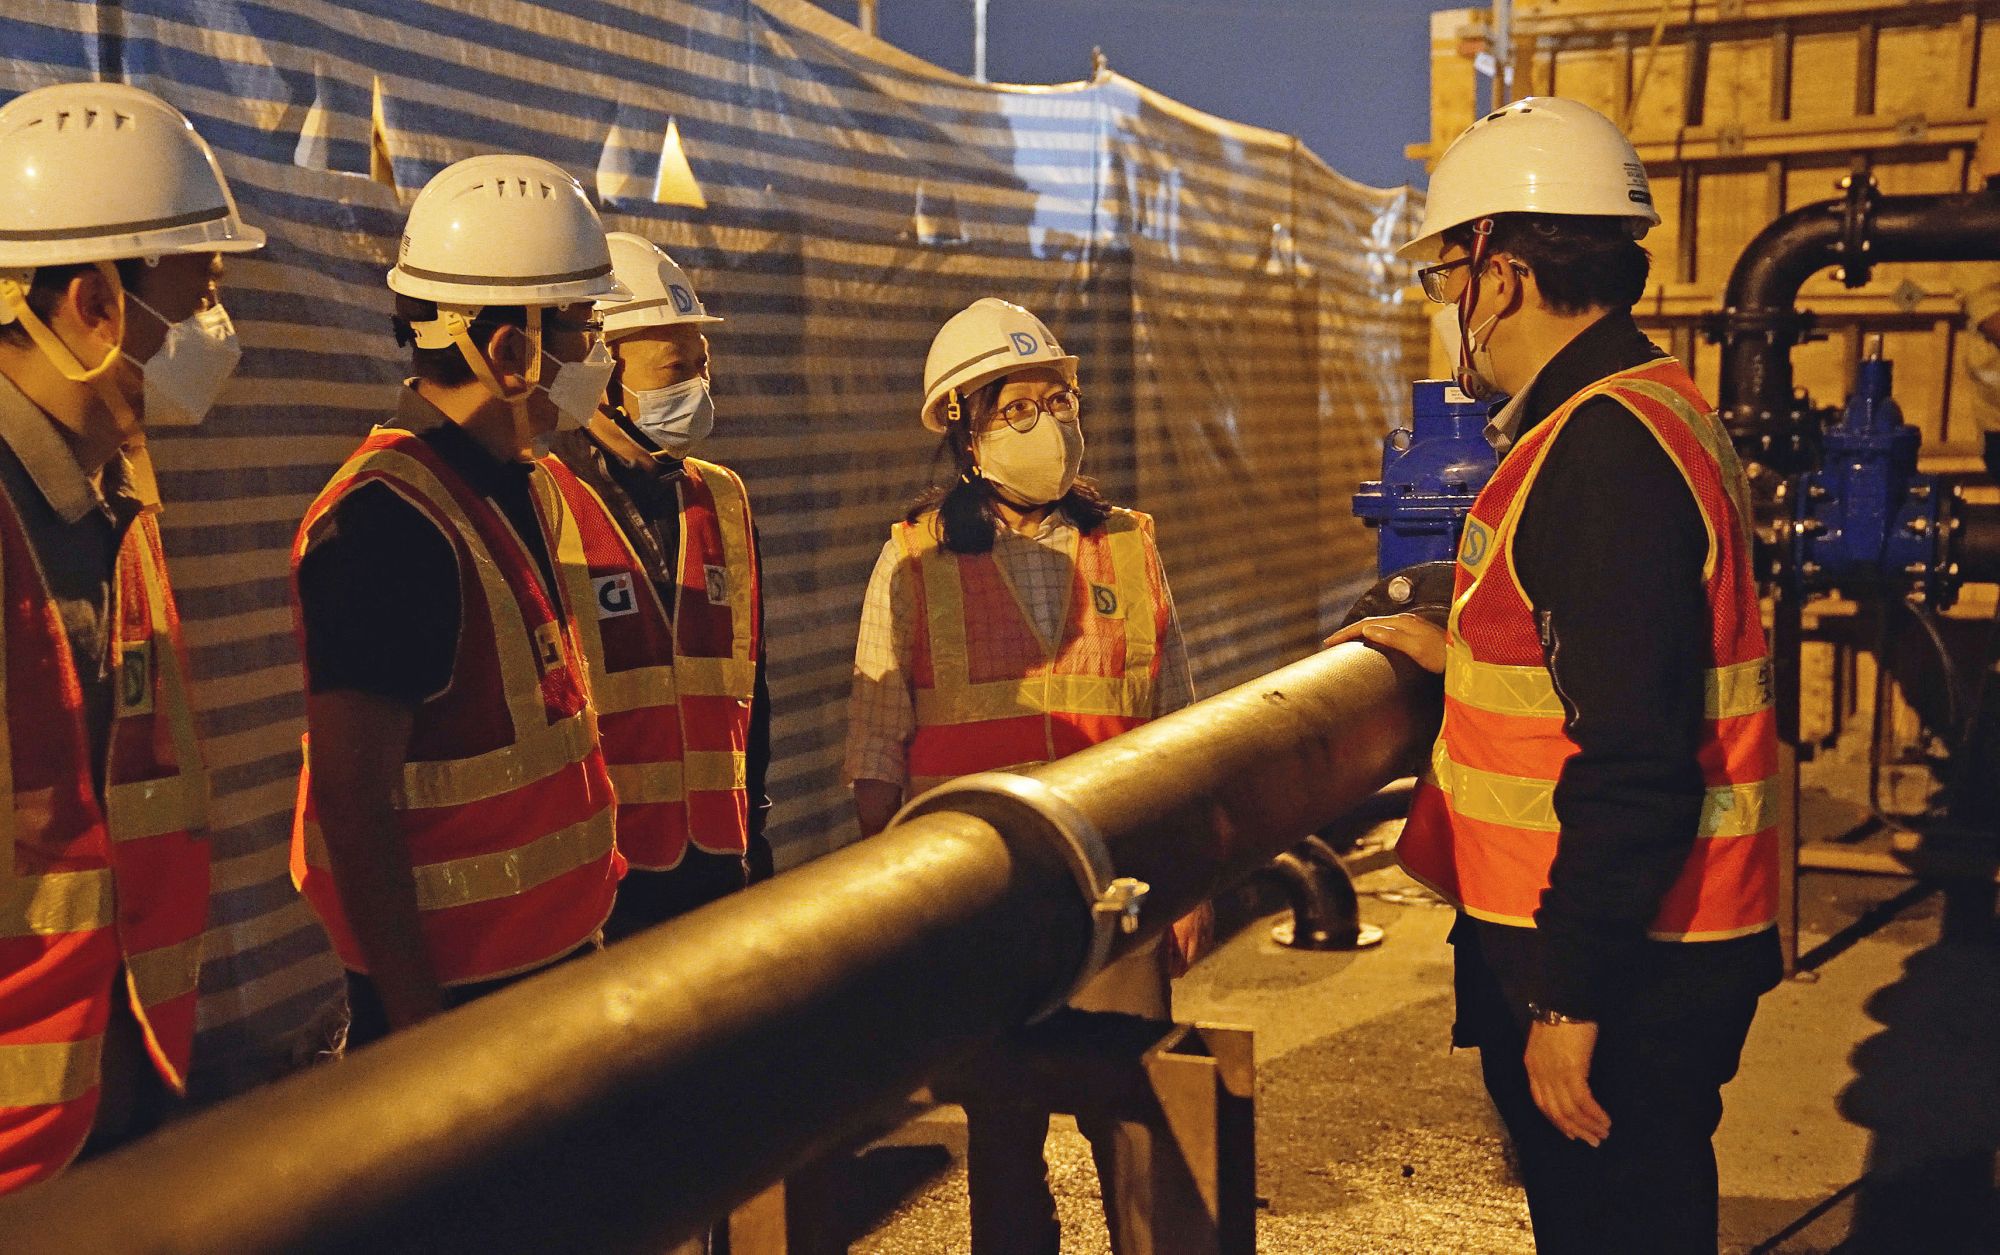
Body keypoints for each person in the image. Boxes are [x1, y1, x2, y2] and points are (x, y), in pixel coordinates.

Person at [1331, 97, 1782, 1253]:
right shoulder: (1652, 407)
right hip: (1659, 937)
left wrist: (1566, 998)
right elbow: (1595, 652)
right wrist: (1459, 654)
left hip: (1623, 962)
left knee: (1616, 1225)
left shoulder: (1598, 451)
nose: (1449, 312)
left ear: (1503, 274)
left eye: (1445, 282)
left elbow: (1631, 756)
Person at [844, 297, 1203, 1255]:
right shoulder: (912, 560)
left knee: (1138, 1123)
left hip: (1121, 886)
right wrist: (896, 912)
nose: (1051, 424)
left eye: (1059, 399)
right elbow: (878, 757)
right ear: (963, 429)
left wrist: (1191, 882)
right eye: (1017, 407)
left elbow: (1181, 725)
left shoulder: (1129, 543)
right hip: (984, 899)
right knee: (1004, 1134)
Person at [289, 154, 627, 1047]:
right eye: (583, 331)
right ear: (514, 352)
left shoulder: (519, 482)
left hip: (553, 975)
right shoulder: (385, 527)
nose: (598, 357)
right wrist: (419, 1043)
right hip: (461, 1016)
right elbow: (354, 804)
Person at [0, 82, 262, 1191]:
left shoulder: (116, 493)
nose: (216, 333)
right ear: (98, 304)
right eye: (196, 297)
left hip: (119, 1097)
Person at [540, 232, 772, 938]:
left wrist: (755, 842)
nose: (696, 389)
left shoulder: (722, 497)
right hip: (606, 883)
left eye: (702, 367)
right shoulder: (541, 496)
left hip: (719, 861)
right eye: (674, 369)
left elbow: (753, 694)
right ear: (600, 372)